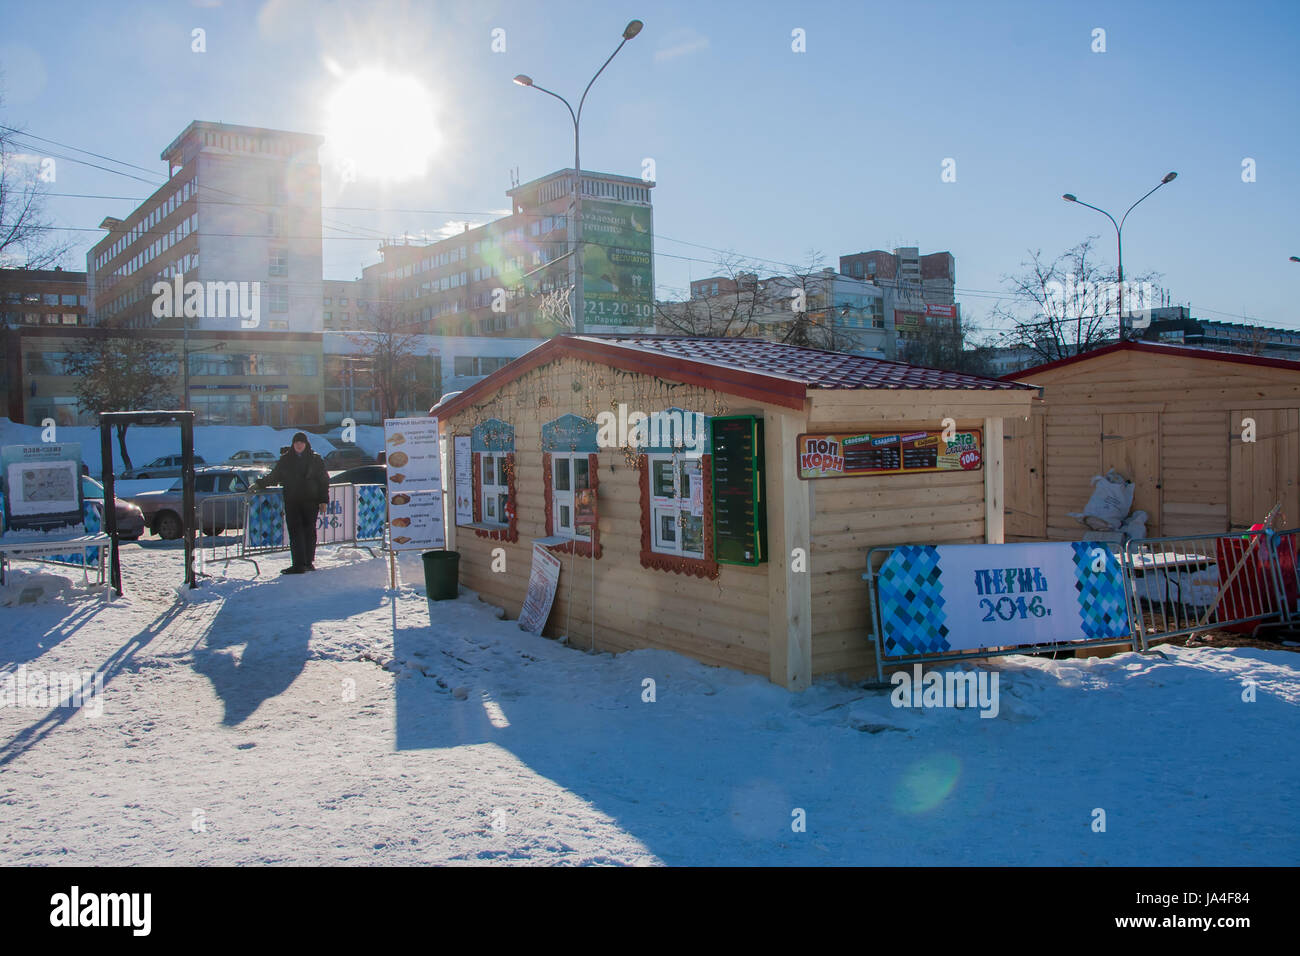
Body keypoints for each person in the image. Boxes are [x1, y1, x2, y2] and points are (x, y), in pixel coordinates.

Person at [251, 432, 329, 574]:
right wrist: (259, 484)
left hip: (310, 502)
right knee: (296, 532)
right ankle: (299, 563)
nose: (299, 445)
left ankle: (308, 562)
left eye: (301, 442)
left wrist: (323, 500)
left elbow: (323, 480)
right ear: (293, 444)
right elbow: (274, 476)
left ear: (306, 444)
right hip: (293, 501)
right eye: (296, 442)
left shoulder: (315, 459)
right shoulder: (286, 460)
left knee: (309, 531)